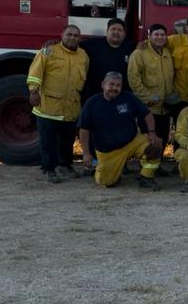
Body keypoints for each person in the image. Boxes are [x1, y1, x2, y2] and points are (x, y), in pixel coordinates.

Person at [77, 71, 162, 190]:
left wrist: (152, 132)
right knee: (106, 182)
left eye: (118, 85)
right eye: (111, 84)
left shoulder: (128, 97)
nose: (114, 88)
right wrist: (86, 153)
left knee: (155, 145)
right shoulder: (92, 103)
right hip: (109, 152)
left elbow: (147, 114)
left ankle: (146, 178)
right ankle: (114, 171)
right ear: (103, 84)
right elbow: (84, 130)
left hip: (133, 142)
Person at [27, 25, 89, 183]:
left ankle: (65, 166)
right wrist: (33, 91)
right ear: (62, 35)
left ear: (80, 38)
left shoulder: (83, 56)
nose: (73, 37)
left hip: (71, 108)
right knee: (48, 142)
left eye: (76, 35)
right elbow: (36, 72)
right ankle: (49, 169)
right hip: (48, 107)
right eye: (69, 34)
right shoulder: (49, 50)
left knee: (67, 142)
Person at [127, 23, 176, 146]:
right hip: (148, 107)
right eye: (156, 34)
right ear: (149, 36)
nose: (160, 37)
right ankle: (147, 164)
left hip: (165, 107)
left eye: (163, 35)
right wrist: (148, 97)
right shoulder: (139, 53)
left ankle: (157, 163)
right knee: (148, 139)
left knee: (163, 137)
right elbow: (134, 79)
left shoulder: (167, 53)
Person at [80, 18, 136, 100]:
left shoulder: (131, 46)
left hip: (121, 95)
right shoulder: (92, 44)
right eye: (113, 29)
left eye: (120, 30)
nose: (116, 32)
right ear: (107, 31)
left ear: (124, 33)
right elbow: (72, 45)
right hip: (95, 95)